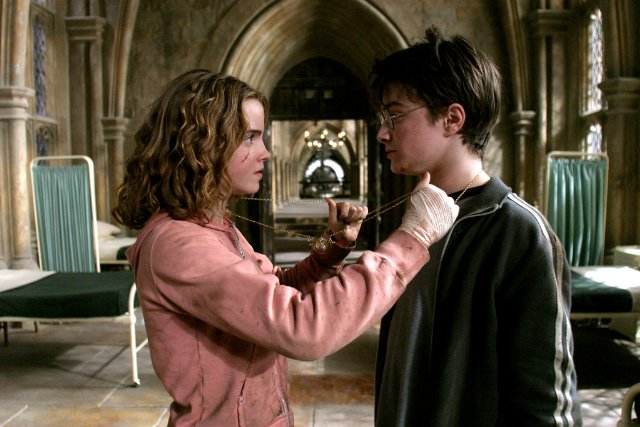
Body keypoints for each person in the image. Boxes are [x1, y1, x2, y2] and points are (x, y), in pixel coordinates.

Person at [112, 69, 459, 427]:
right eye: (250, 138)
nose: (265, 153)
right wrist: (412, 238)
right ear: (201, 143)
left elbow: (273, 290)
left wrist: (332, 249)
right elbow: (302, 328)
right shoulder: (179, 243)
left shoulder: (212, 226)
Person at [369, 26, 581, 426]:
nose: (382, 132)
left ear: (452, 118)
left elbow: (546, 403)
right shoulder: (419, 217)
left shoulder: (519, 232)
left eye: (394, 115)